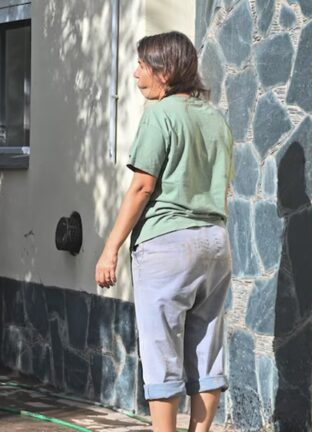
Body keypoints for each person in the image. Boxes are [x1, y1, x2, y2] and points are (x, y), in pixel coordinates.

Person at [95, 31, 233, 432]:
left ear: (166, 71)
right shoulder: (214, 117)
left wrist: (110, 249)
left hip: (168, 242)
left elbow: (141, 186)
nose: (136, 73)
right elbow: (221, 187)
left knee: (162, 353)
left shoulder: (160, 114)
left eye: (142, 64)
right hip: (214, 241)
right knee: (206, 349)